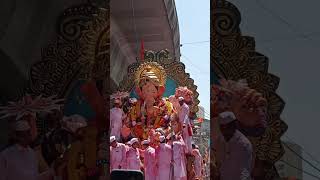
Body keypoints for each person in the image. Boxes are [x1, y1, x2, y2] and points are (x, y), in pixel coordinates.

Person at [218, 111, 253, 180]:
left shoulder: (243, 144)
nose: (225, 131)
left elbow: (245, 171)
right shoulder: (221, 140)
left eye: (227, 127)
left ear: (235, 125)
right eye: (222, 127)